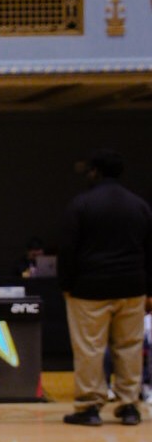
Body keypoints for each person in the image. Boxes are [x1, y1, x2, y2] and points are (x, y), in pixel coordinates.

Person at [58, 149, 152, 427]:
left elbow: (67, 249)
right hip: (132, 286)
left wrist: (66, 284)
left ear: (95, 172)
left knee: (90, 349)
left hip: (89, 288)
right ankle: (129, 405)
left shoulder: (81, 204)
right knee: (130, 347)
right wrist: (148, 289)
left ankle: (89, 407)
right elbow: (150, 251)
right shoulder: (139, 206)